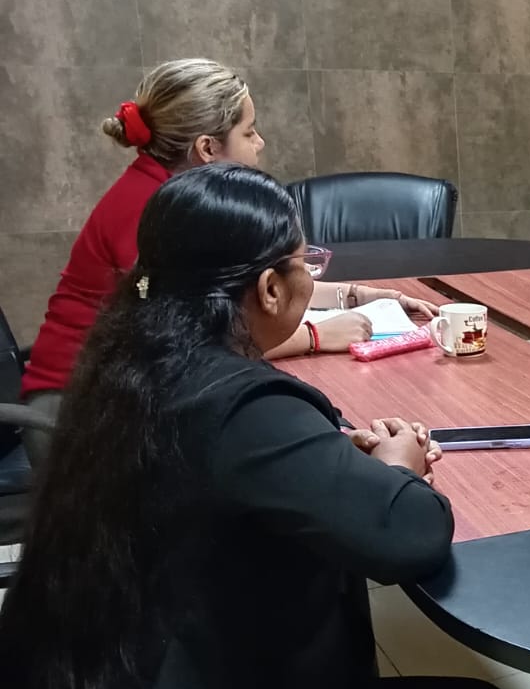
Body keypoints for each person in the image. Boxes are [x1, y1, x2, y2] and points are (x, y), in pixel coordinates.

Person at [0, 165, 518, 689]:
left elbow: (217, 481)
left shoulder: (126, 363)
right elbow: (406, 537)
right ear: (272, 287)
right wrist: (398, 469)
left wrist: (319, 463)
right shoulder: (238, 406)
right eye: (304, 260)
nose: (310, 273)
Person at [19, 58, 439, 469]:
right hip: (82, 417)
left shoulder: (182, 199)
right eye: (249, 132)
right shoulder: (157, 215)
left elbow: (258, 282)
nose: (261, 144)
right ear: (207, 148)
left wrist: (360, 296)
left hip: (132, 395)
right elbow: (201, 336)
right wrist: (315, 335)